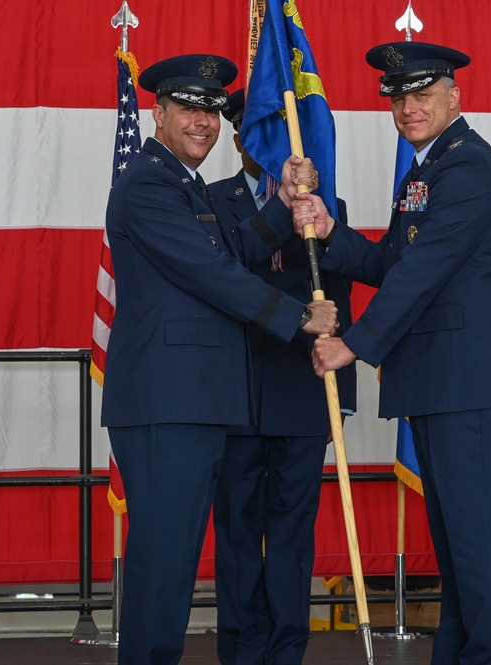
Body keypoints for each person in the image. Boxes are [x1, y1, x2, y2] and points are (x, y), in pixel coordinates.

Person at [297, 42, 491, 665]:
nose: (409, 107)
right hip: (443, 384)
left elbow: (424, 272)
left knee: (479, 548)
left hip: (472, 388)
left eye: (422, 94)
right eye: (399, 97)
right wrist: (331, 232)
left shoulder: (468, 169)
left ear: (455, 96)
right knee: (460, 551)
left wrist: (354, 343)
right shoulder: (429, 170)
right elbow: (393, 262)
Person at [101, 54, 334, 665]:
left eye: (210, 110)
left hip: (192, 403)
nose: (203, 122)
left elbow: (235, 250)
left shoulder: (183, 183)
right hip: (166, 402)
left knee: (173, 559)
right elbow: (209, 274)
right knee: (165, 560)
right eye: (189, 108)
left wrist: (284, 203)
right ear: (158, 112)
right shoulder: (149, 182)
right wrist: (299, 318)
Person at [208, 89, 357, 665]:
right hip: (237, 393)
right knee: (238, 535)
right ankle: (242, 651)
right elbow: (226, 278)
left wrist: (337, 403)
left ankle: (286, 651)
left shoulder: (324, 204)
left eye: (273, 133)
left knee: (293, 539)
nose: (260, 144)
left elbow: (337, 303)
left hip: (302, 393)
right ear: (239, 137)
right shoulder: (212, 202)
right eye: (251, 133)